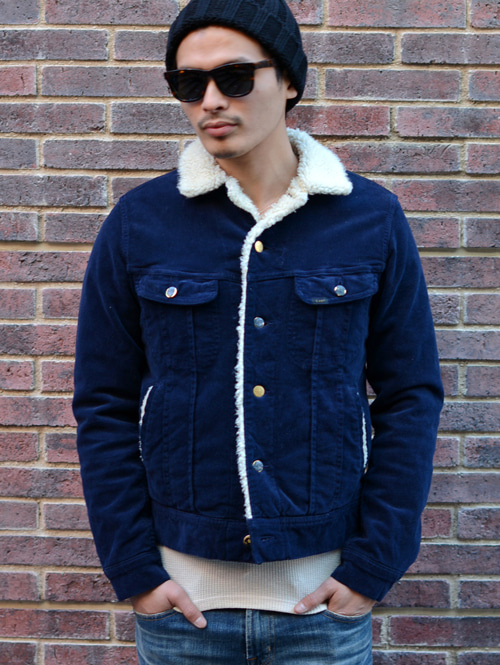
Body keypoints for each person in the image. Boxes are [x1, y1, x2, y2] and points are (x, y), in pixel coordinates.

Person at [73, 0, 444, 663]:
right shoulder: (140, 223)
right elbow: (103, 403)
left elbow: (411, 395)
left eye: (235, 77)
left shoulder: (371, 219)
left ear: (290, 81)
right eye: (190, 84)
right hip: (182, 613)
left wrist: (374, 565)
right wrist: (135, 570)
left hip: (322, 613)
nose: (211, 100)